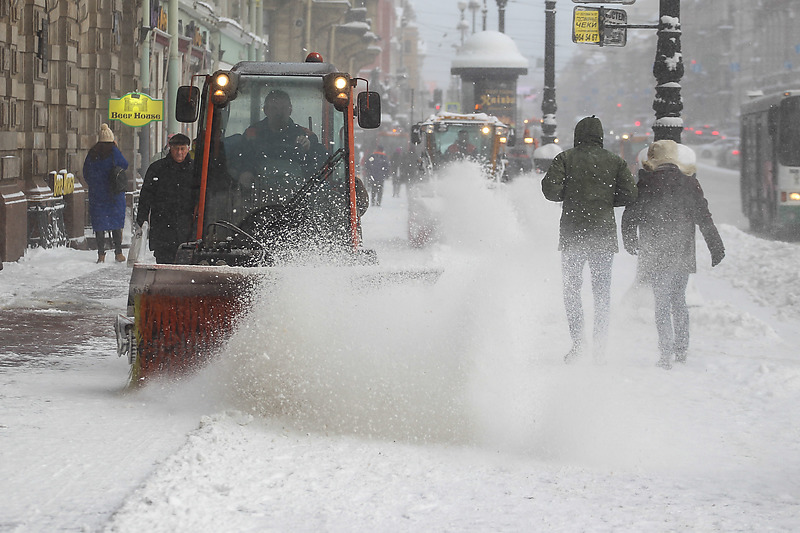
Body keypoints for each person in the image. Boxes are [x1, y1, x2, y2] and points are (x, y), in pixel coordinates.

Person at [541, 115, 638, 363]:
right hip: (603, 236)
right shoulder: (615, 161)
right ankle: (600, 348)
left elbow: (550, 191)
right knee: (602, 293)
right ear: (600, 136)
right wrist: (606, 200)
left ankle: (578, 343)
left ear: (577, 135)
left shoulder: (565, 158)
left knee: (572, 290)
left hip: (573, 235)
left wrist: (571, 195)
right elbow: (629, 195)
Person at [621, 139, 725, 369]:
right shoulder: (689, 183)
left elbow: (631, 215)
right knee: (679, 300)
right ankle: (682, 350)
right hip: (682, 250)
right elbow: (704, 217)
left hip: (655, 250)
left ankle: (665, 354)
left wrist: (630, 239)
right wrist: (715, 245)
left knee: (662, 303)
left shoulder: (645, 183)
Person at [136, 133, 195, 264]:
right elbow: (146, 195)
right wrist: (142, 219)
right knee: (164, 265)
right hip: (163, 228)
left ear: (188, 149)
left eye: (182, 149)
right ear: (170, 148)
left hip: (187, 229)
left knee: (185, 267)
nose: (179, 153)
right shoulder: (157, 168)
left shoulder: (195, 170)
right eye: (176, 149)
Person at [83, 123, 129, 263]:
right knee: (115, 223)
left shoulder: (93, 153)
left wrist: (95, 184)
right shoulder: (114, 151)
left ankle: (101, 254)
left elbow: (86, 172)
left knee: (99, 224)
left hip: (97, 194)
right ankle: (118, 252)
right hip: (113, 193)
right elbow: (124, 164)